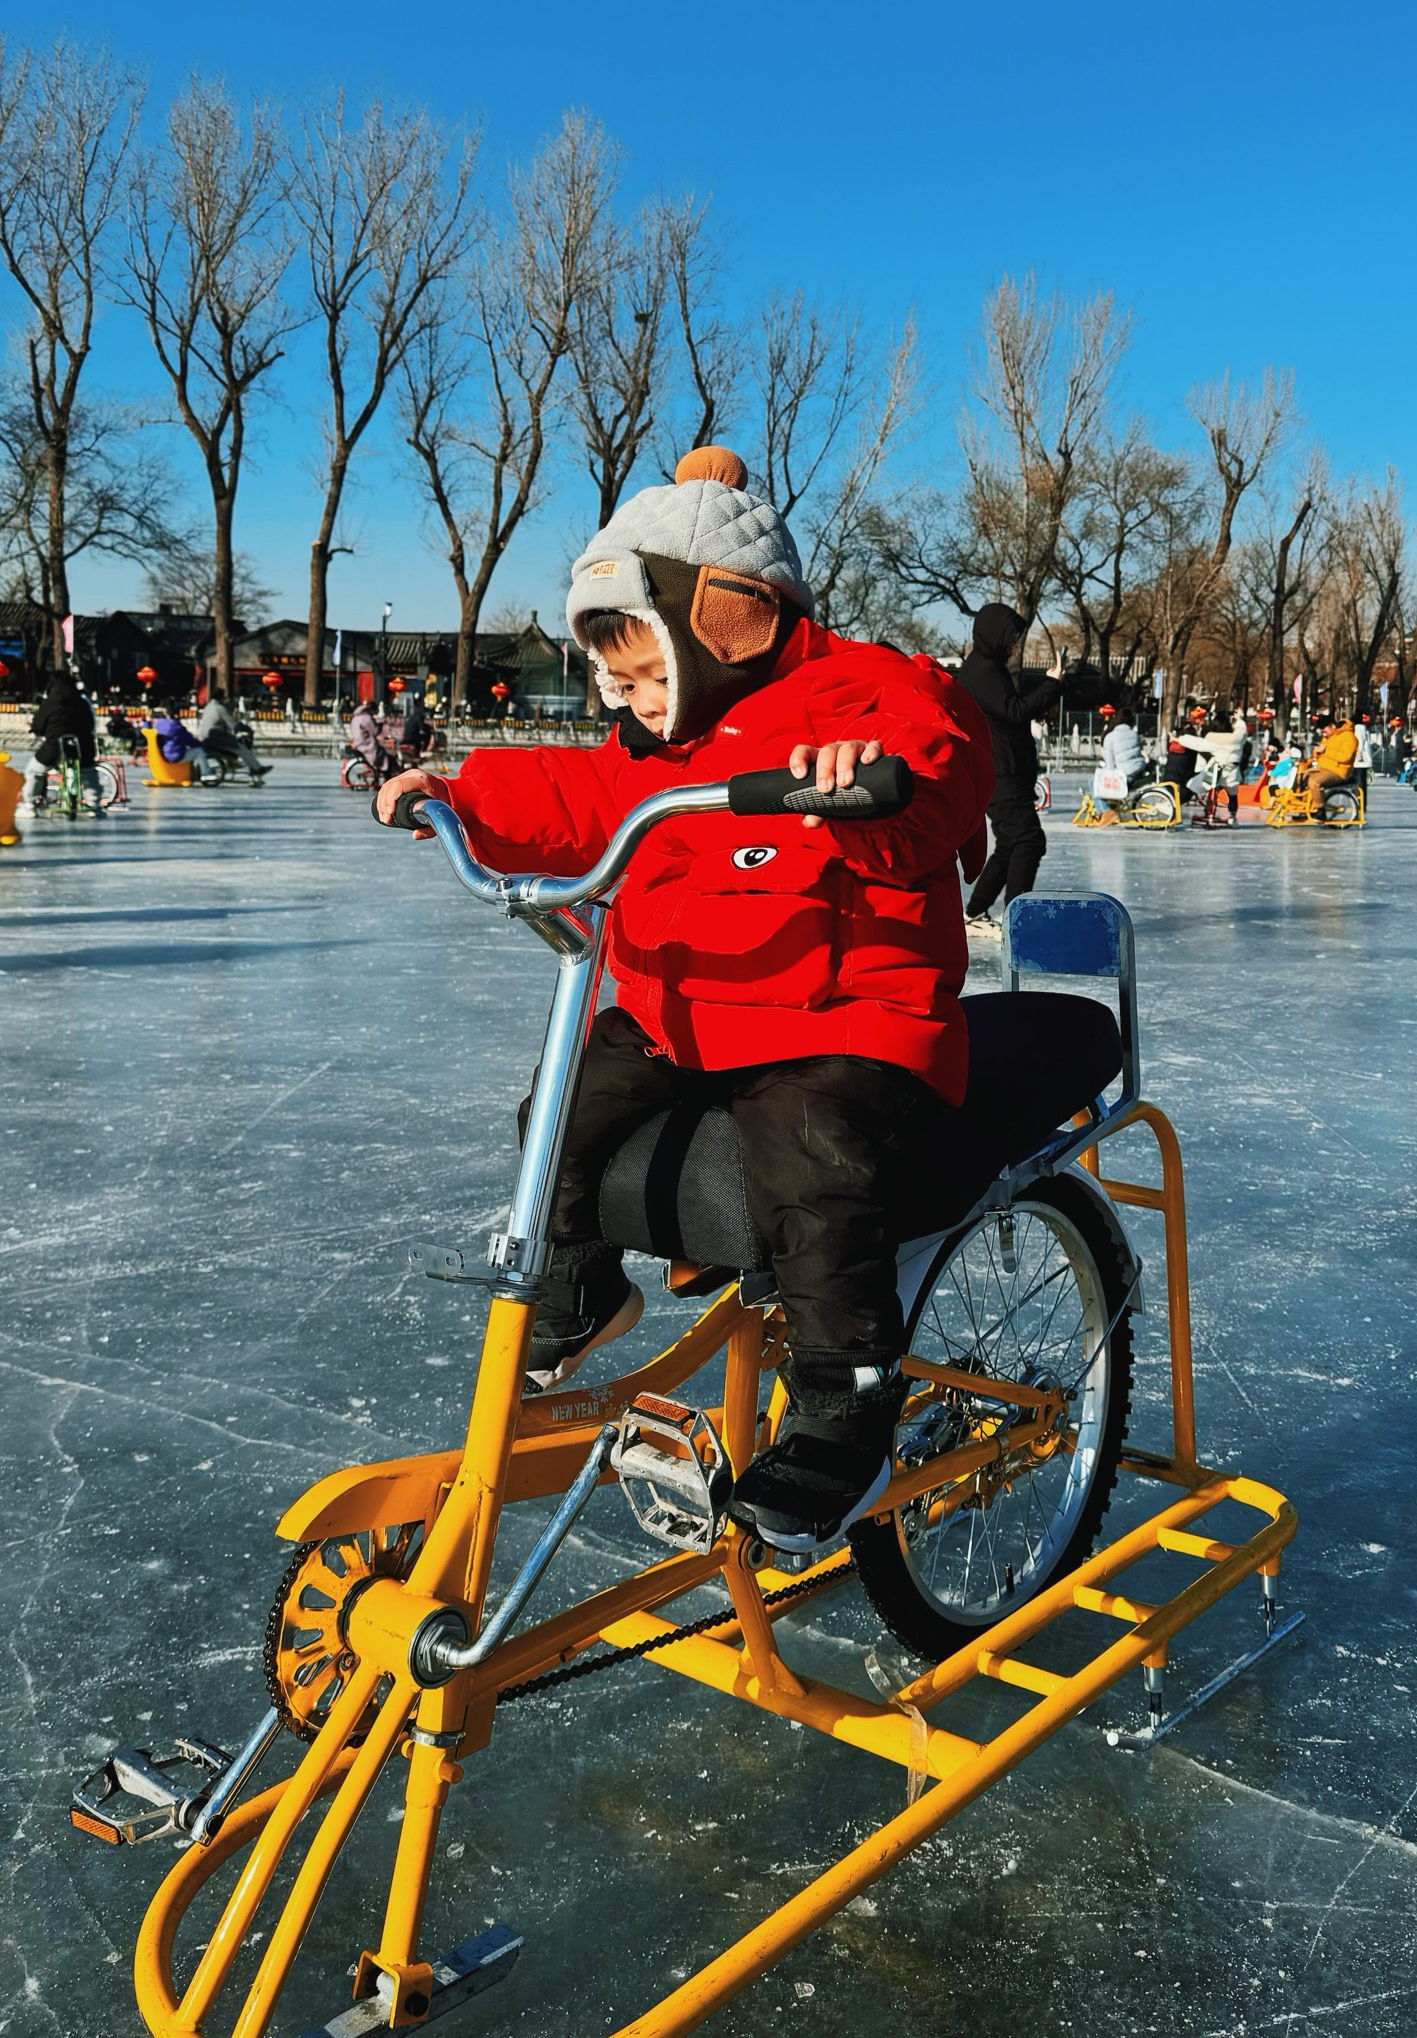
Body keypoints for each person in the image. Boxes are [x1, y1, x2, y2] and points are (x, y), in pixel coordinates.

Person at [377, 445, 991, 1556]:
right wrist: (457, 791)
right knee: (561, 1101)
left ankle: (842, 1407)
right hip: (685, 1010)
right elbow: (574, 790)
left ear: (726, 625)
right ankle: (575, 1287)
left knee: (812, 1167)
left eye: (648, 673)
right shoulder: (656, 744)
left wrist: (867, 776)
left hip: (841, 1012)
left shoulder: (856, 690)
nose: (635, 705)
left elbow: (937, 755)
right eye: (618, 683)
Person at [954, 604, 1064, 930]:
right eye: (1011, 637)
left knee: (1011, 843)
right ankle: (1017, 920)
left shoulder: (988, 667)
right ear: (993, 634)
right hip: (1000, 771)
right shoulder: (983, 670)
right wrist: (1052, 684)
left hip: (1004, 769)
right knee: (1028, 840)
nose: (1014, 643)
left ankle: (975, 912)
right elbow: (1015, 712)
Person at [26, 664, 100, 807]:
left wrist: (36, 731)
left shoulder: (51, 702)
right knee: (88, 772)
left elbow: (39, 724)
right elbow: (90, 724)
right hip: (83, 746)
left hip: (54, 747)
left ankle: (30, 804)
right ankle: (94, 802)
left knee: (34, 771)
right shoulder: (82, 702)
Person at [1174, 707, 1248, 824]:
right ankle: (1232, 816)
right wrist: (1239, 720)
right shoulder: (1238, 740)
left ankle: (1173, 806)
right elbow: (1241, 730)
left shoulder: (1214, 740)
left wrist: (1180, 739)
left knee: (1192, 786)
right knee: (1232, 793)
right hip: (1231, 774)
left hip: (1214, 773)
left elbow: (1197, 743)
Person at [195, 689, 270, 782]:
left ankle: (232, 763)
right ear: (221, 697)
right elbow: (233, 725)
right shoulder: (220, 708)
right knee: (242, 749)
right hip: (216, 739)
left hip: (206, 738)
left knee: (234, 744)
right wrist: (247, 729)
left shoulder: (208, 706)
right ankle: (257, 769)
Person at [1093, 699, 1145, 807]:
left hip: (1124, 772)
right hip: (1138, 769)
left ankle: (1105, 812)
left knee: (1094, 783)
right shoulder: (1134, 734)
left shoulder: (1110, 737)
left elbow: (1110, 765)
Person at [1310, 712, 1361, 804]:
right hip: (1323, 768)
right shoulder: (1328, 737)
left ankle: (1319, 810)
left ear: (1332, 726)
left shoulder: (1349, 737)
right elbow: (1319, 753)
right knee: (1301, 777)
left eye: (1325, 731)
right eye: (1322, 733)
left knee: (1314, 782)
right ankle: (1305, 807)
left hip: (1338, 771)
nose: (1324, 735)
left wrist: (1325, 751)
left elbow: (1345, 757)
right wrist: (1316, 752)